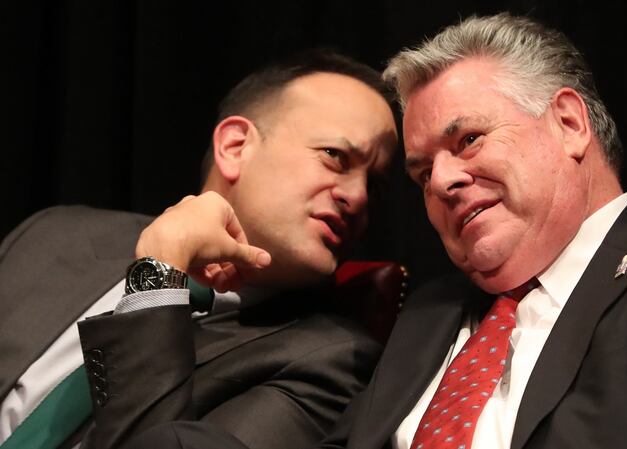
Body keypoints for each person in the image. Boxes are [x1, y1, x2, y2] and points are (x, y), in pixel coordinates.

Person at [317, 13, 627, 449]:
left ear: (568, 123)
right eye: (423, 174)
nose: (441, 182)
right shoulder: (428, 311)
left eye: (468, 140)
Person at [0, 51, 398, 449]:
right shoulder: (56, 233)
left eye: (375, 185)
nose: (358, 197)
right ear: (235, 146)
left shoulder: (335, 364)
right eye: (335, 156)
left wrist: (159, 275)